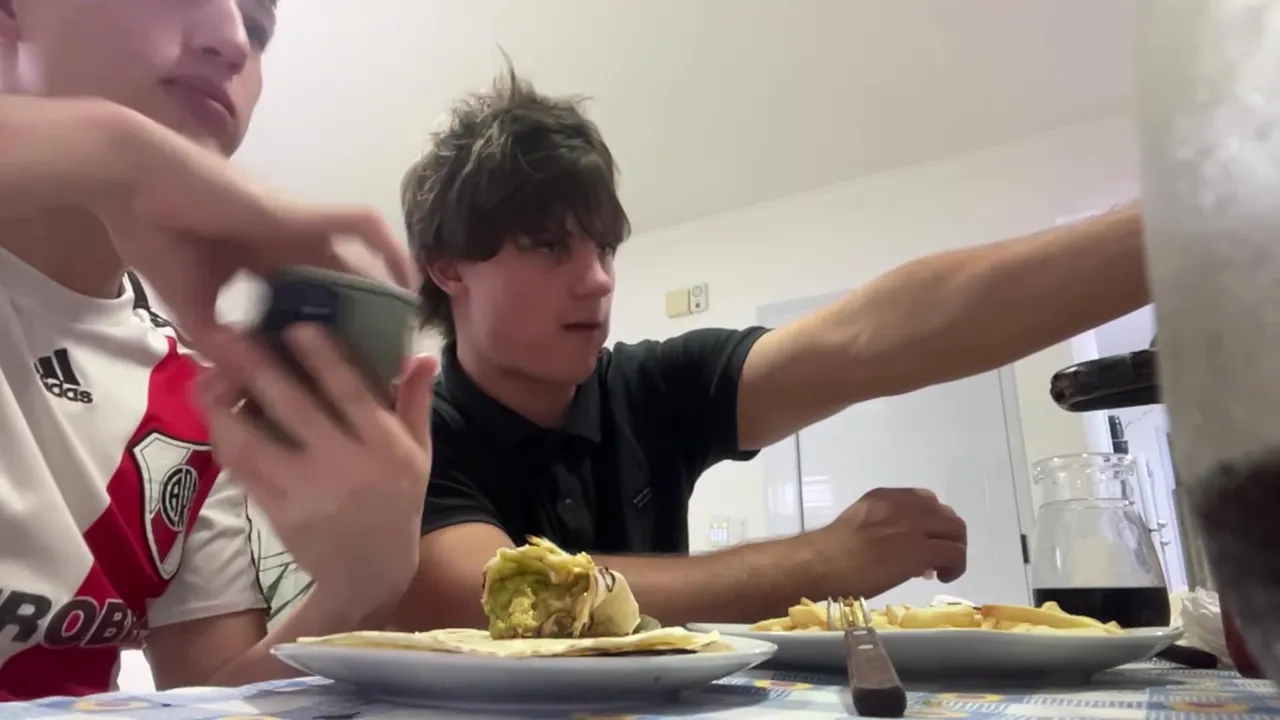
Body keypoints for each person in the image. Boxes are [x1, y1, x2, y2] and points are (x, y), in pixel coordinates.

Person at [391, 66, 1149, 631]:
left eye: (606, 248)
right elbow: (483, 598)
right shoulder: (408, 428)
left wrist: (1176, 227)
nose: (597, 280)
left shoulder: (651, 388)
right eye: (550, 247)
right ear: (449, 267)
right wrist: (821, 562)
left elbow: (870, 337)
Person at [0, 0, 431, 700]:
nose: (233, 40)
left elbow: (206, 696)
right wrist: (118, 155)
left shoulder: (200, 396)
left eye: (257, 27)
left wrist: (358, 588)